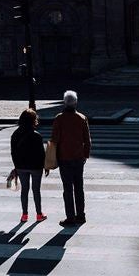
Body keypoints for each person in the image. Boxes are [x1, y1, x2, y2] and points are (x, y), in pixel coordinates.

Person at [51, 90, 91, 227]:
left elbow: (54, 139)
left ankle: (70, 217)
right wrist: (85, 155)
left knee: (67, 189)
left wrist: (52, 157)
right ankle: (81, 215)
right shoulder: (82, 118)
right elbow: (87, 140)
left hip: (64, 158)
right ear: (76, 103)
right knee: (79, 187)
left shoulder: (59, 118)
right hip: (78, 157)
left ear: (64, 102)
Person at [10, 108, 48, 223]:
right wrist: (45, 166)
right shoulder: (37, 136)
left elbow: (13, 153)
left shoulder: (15, 135)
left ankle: (24, 215)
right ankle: (39, 214)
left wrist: (16, 167)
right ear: (33, 120)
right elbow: (41, 154)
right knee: (36, 190)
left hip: (21, 167)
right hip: (36, 167)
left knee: (24, 190)